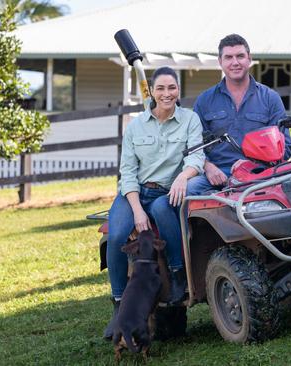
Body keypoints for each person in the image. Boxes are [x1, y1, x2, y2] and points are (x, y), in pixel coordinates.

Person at [103, 66, 204, 339]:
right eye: (160, 88)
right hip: (135, 194)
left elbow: (196, 158)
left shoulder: (190, 120)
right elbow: (128, 173)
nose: (166, 93)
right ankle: (119, 303)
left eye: (171, 88)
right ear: (152, 92)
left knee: (161, 208)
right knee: (116, 235)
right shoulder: (136, 125)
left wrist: (184, 176)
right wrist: (136, 210)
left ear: (178, 91)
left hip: (167, 192)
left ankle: (176, 274)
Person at [187, 34, 291, 195]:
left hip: (260, 174)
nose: (235, 62)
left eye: (240, 56)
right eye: (228, 57)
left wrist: (253, 163)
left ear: (249, 59)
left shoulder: (270, 98)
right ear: (220, 62)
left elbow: (285, 148)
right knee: (188, 190)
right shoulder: (205, 100)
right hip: (218, 174)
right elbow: (194, 146)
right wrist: (208, 167)